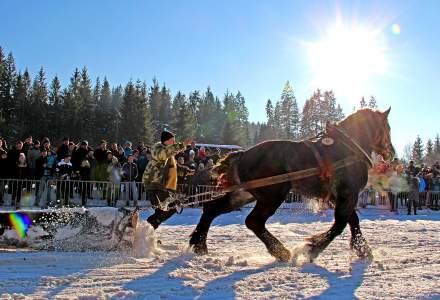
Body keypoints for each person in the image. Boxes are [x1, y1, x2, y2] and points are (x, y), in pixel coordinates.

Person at [143, 130, 188, 229]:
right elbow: (162, 155)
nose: (174, 142)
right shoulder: (157, 148)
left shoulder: (168, 152)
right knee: (166, 209)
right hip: (154, 185)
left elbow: (173, 167)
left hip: (163, 186)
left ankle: (148, 230)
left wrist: (186, 170)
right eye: (173, 140)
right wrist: (181, 145)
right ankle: (146, 229)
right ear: (166, 141)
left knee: (168, 209)